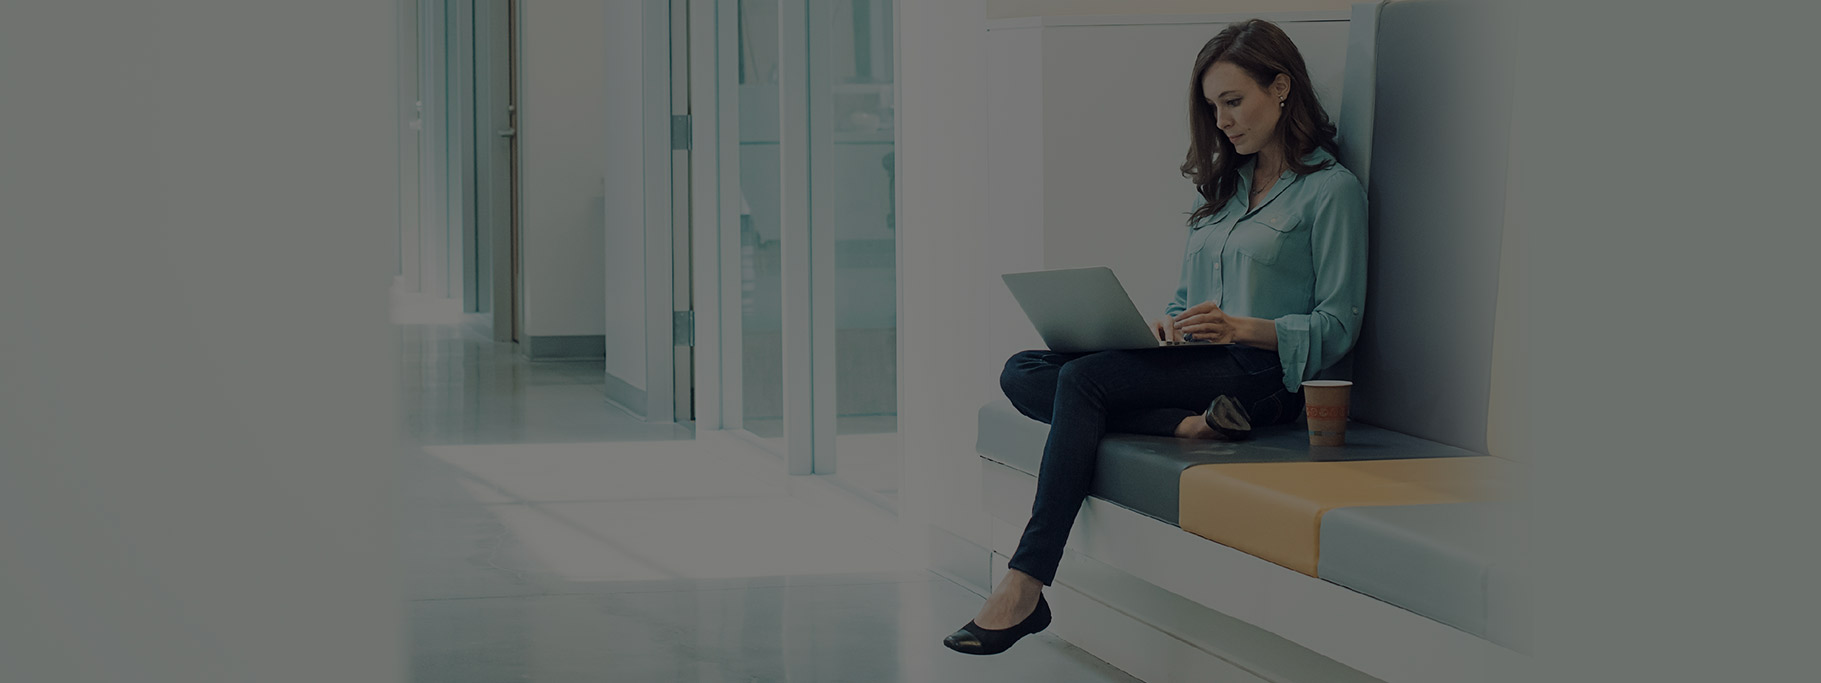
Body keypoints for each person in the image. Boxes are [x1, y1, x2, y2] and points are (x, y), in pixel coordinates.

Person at [942, 18, 1368, 655]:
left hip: (1261, 374)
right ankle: (1184, 425)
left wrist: (1239, 327)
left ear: (1281, 87)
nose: (1221, 120)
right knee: (1022, 370)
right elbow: (1183, 298)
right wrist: (1166, 325)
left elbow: (1338, 327)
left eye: (1233, 101)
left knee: (1084, 382)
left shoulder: (1330, 192)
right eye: (1212, 107)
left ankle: (1025, 583)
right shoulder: (1222, 193)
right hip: (1198, 368)